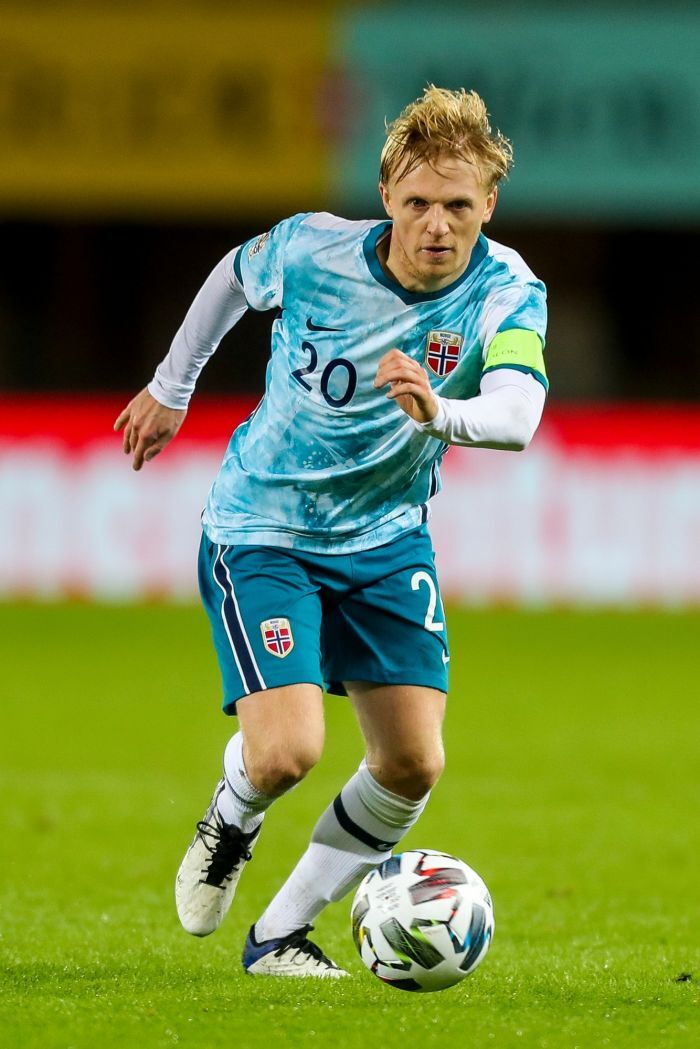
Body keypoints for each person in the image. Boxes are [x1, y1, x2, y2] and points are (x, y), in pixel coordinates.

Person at [115, 85, 548, 978]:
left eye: (458, 204)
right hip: (264, 528)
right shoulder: (312, 249)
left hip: (386, 539)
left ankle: (278, 935)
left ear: (489, 203)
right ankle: (232, 816)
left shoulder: (506, 289)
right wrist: (171, 385)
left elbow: (518, 412)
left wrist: (441, 413)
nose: (437, 225)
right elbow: (232, 277)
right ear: (386, 194)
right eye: (417, 202)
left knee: (412, 762)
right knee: (286, 753)